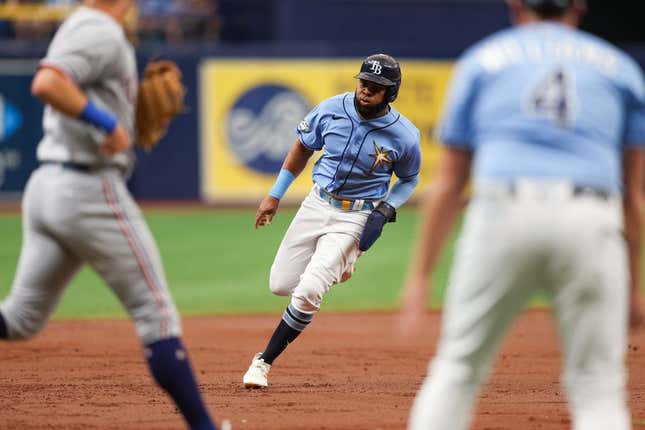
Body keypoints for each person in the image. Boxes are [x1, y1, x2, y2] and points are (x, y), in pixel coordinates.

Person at [399, 0, 645, 429]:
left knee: (458, 370)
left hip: (502, 212)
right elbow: (632, 196)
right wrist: (632, 285)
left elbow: (449, 185)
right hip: (591, 215)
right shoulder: (619, 68)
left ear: (515, 5)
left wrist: (419, 276)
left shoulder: (481, 60)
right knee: (597, 386)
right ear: (579, 6)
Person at [0, 1, 218, 429]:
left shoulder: (84, 26)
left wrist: (121, 113)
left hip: (48, 187)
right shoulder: (100, 31)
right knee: (156, 313)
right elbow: (47, 82)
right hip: (88, 190)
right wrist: (109, 123)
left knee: (20, 320)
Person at [242, 53, 422, 388]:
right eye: (364, 82)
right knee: (280, 284)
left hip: (356, 215)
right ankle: (342, 263)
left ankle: (262, 362)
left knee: (310, 289)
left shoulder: (405, 136)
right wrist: (275, 194)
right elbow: (302, 146)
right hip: (316, 203)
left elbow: (410, 179)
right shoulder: (331, 109)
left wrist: (386, 209)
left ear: (390, 92)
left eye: (376, 87)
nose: (366, 90)